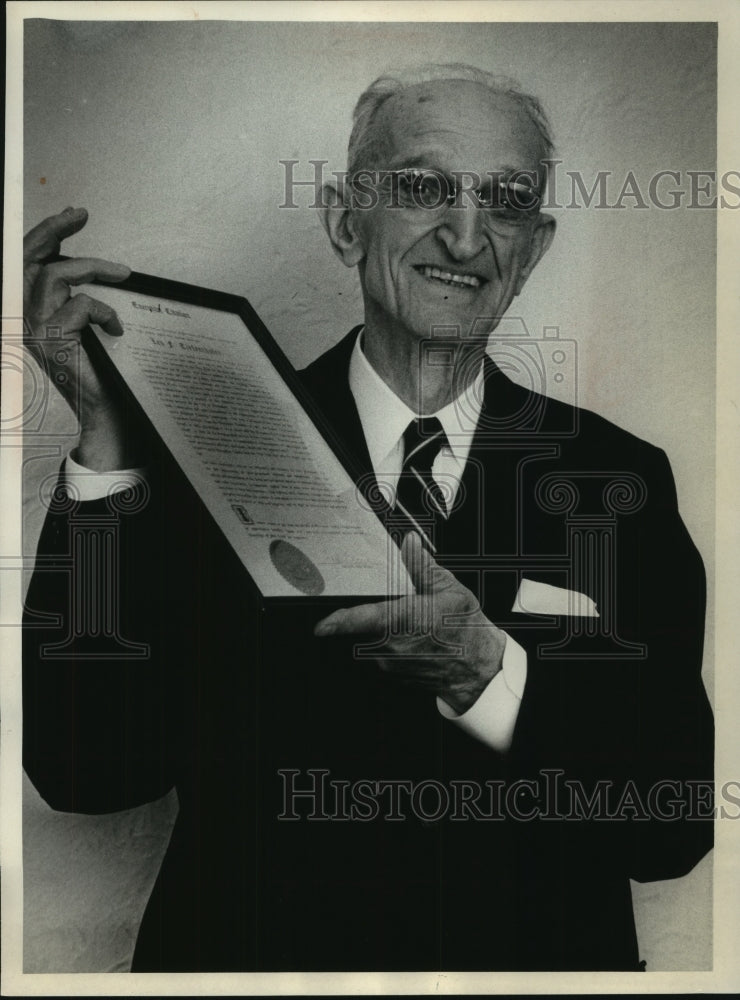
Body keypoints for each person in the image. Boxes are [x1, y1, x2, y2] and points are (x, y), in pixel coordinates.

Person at [22, 64, 713, 972]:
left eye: (504, 203)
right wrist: (108, 446)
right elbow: (87, 772)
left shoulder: (619, 480)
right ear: (347, 221)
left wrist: (491, 673)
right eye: (424, 188)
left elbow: (671, 825)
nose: (466, 237)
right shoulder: (199, 446)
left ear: (534, 246)